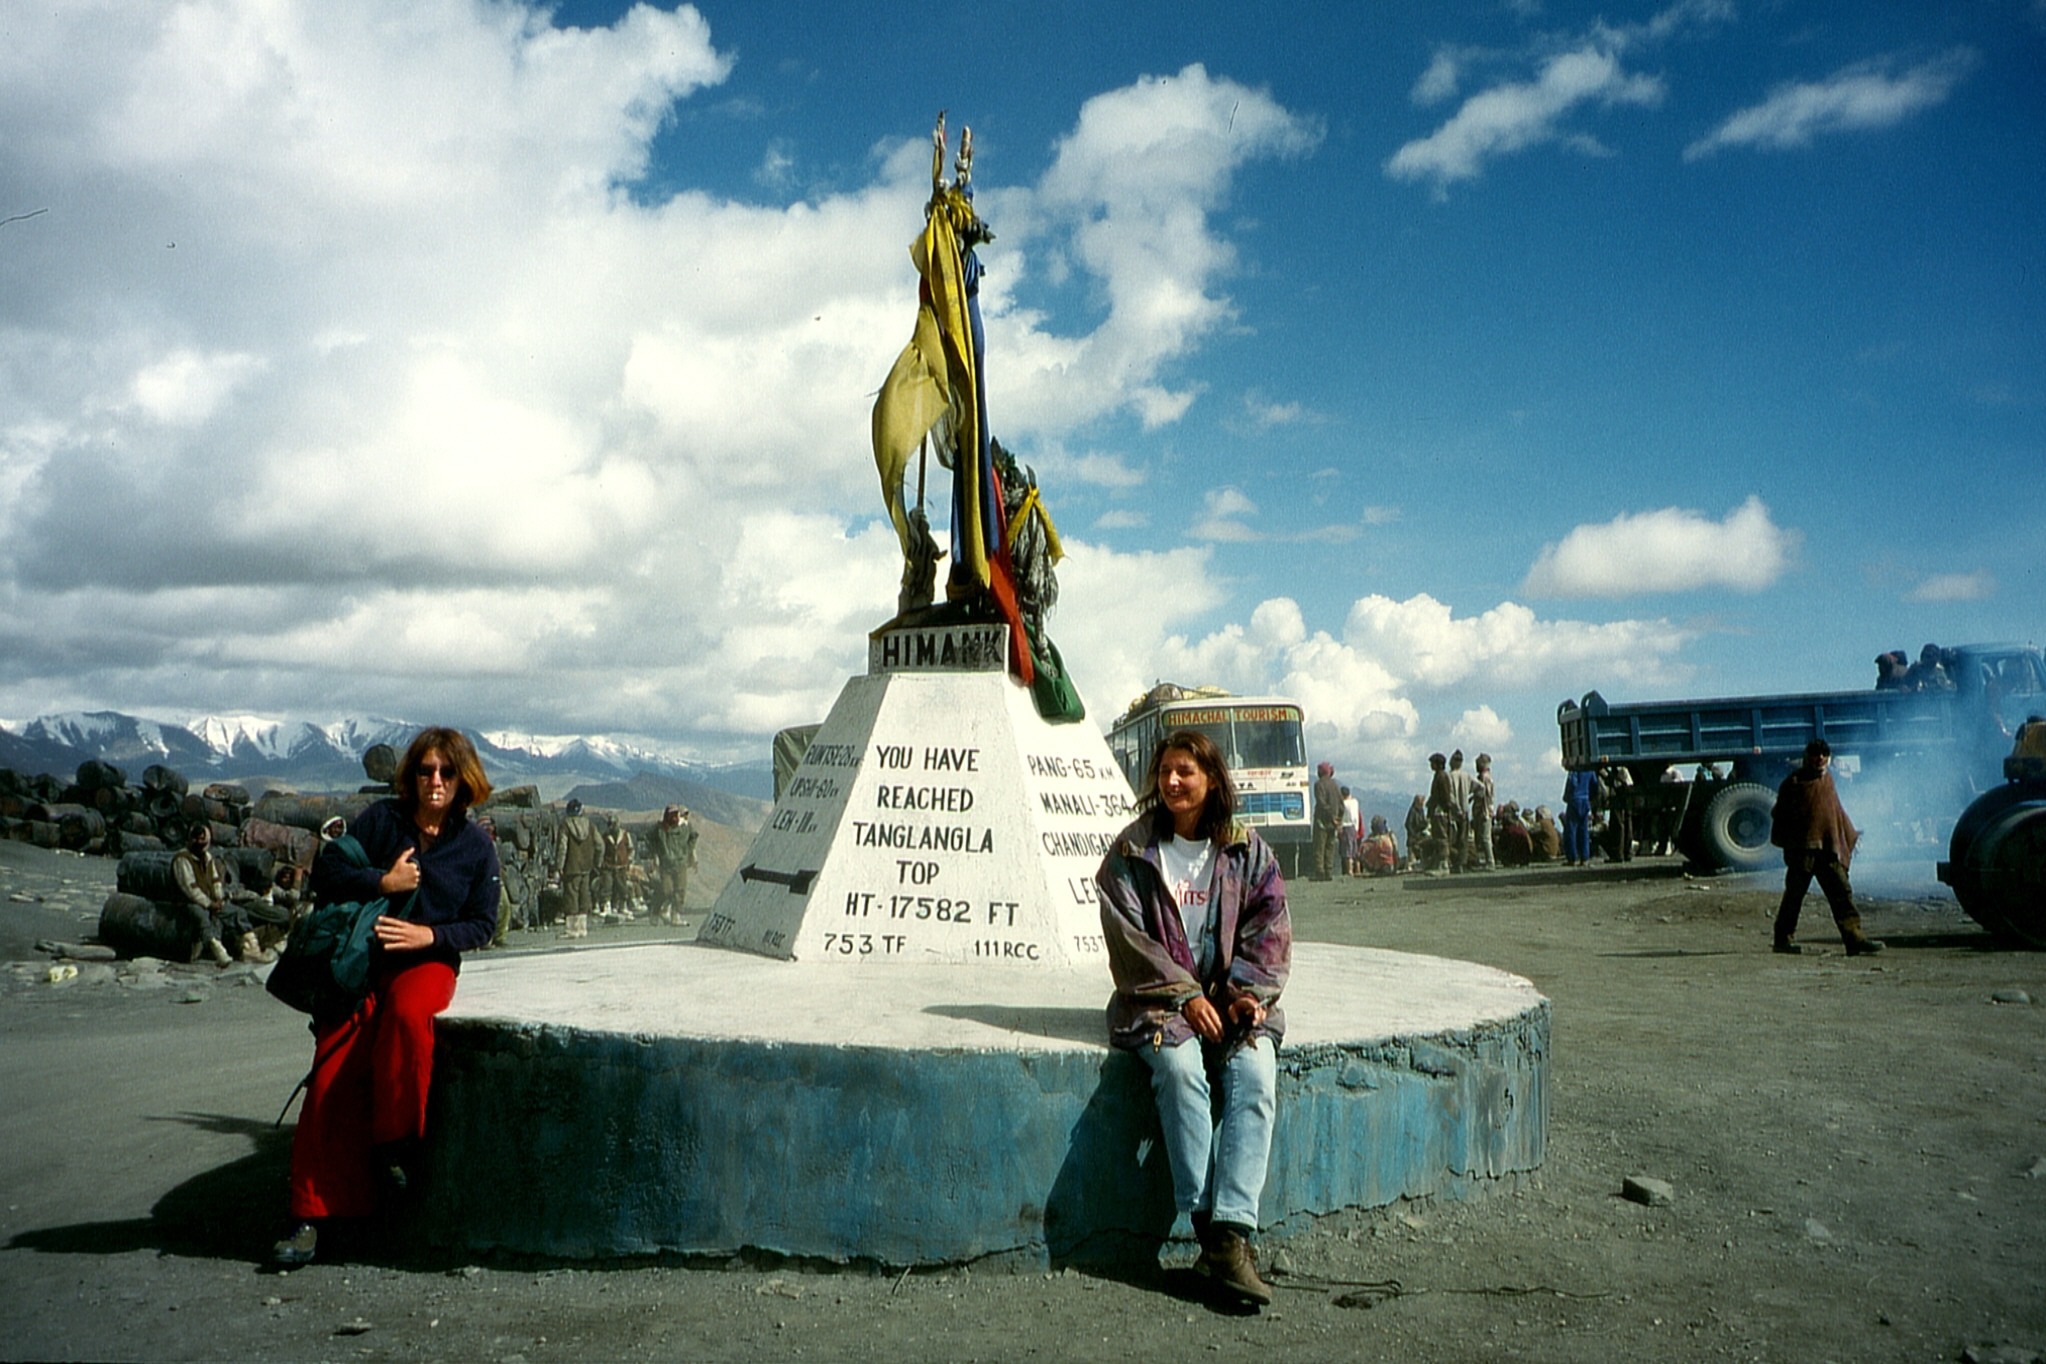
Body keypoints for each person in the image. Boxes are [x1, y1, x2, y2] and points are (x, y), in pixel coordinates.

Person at [272, 727, 501, 1267]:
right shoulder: (382, 821)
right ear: (411, 776)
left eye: (447, 772)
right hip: (363, 964)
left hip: (426, 963)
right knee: (331, 1071)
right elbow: (329, 869)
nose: (435, 781)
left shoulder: (475, 846)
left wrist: (430, 936)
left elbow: (482, 923)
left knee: (408, 1017)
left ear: (464, 779)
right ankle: (309, 1216)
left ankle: (395, 1144)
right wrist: (383, 883)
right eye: (426, 770)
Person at [1096, 728, 1290, 1307]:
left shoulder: (1247, 851)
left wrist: (1245, 995)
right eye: (1165, 772)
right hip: (1157, 1005)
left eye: (1185, 771)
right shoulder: (1131, 853)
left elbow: (1270, 928)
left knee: (1256, 1074)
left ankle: (1232, 1229)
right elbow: (1130, 944)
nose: (1173, 782)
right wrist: (1184, 996)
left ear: (1211, 779)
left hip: (1230, 1005)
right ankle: (1214, 1234)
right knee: (1180, 1074)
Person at [1769, 740, 1883, 956]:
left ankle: (1854, 938)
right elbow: (1780, 815)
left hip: (1828, 849)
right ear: (1807, 756)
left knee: (1842, 892)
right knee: (1794, 896)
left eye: (1824, 753)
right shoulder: (1794, 782)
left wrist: (1849, 834)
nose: (1820, 758)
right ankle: (1782, 940)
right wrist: (1791, 844)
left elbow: (1835, 812)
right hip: (1803, 851)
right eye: (1815, 753)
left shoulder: (1829, 779)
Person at [170, 824, 271, 966]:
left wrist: (219, 899)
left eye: (202, 839)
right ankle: (218, 950)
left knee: (238, 913)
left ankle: (251, 950)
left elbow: (215, 880)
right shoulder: (182, 859)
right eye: (196, 839)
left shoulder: (207, 857)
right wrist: (209, 904)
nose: (199, 843)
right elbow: (189, 888)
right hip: (188, 902)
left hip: (211, 900)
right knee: (202, 917)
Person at [647, 805, 699, 926]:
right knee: (666, 890)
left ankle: (676, 915)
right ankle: (656, 911)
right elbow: (649, 838)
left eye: (676, 814)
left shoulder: (685, 827)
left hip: (680, 864)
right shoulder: (660, 829)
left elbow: (693, 837)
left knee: (680, 890)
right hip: (666, 865)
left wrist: (687, 852)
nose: (674, 817)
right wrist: (655, 854)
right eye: (671, 814)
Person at [555, 798, 598, 939]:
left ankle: (572, 930)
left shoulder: (565, 825)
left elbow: (562, 847)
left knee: (571, 896)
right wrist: (596, 862)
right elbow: (600, 845)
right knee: (584, 896)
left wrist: (559, 866)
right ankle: (582, 928)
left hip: (571, 866)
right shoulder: (590, 825)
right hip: (586, 866)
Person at [598, 815, 635, 921]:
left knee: (622, 886)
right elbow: (601, 850)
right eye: (610, 824)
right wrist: (601, 862)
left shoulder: (625, 835)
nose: (611, 826)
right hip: (608, 866)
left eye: (613, 824)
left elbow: (631, 848)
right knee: (607, 885)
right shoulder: (605, 836)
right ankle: (607, 906)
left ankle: (622, 906)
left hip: (621, 865)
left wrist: (629, 860)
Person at [1310, 761, 1343, 881]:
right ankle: (1329, 871)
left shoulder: (1319, 785)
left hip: (1322, 821)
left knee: (1319, 847)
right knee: (1330, 847)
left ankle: (1320, 872)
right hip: (1333, 823)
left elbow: (1321, 802)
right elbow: (1341, 805)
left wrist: (1330, 816)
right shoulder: (1335, 785)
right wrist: (1338, 819)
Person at [1561, 768, 1596, 866]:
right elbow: (1594, 784)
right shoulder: (1590, 770)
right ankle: (1584, 857)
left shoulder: (1575, 770)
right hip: (1585, 800)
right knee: (1584, 830)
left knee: (1571, 830)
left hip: (1574, 800)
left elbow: (1572, 783)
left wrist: (1566, 796)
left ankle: (1572, 857)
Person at [1470, 754, 1496, 871]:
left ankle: (1490, 861)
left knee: (1485, 837)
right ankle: (1485, 860)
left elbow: (1486, 795)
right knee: (1482, 837)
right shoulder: (1483, 777)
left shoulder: (1485, 778)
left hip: (1484, 811)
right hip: (1483, 810)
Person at [1339, 786, 1361, 877]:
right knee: (1354, 849)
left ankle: (1349, 870)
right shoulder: (1355, 802)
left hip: (1345, 826)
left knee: (1347, 850)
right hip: (1354, 827)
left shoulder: (1343, 804)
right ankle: (1358, 869)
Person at [1403, 795, 1428, 872]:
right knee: (1411, 858)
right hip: (1413, 838)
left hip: (1420, 836)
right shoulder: (1412, 811)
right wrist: (1413, 834)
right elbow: (1408, 824)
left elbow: (1422, 822)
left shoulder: (1421, 811)